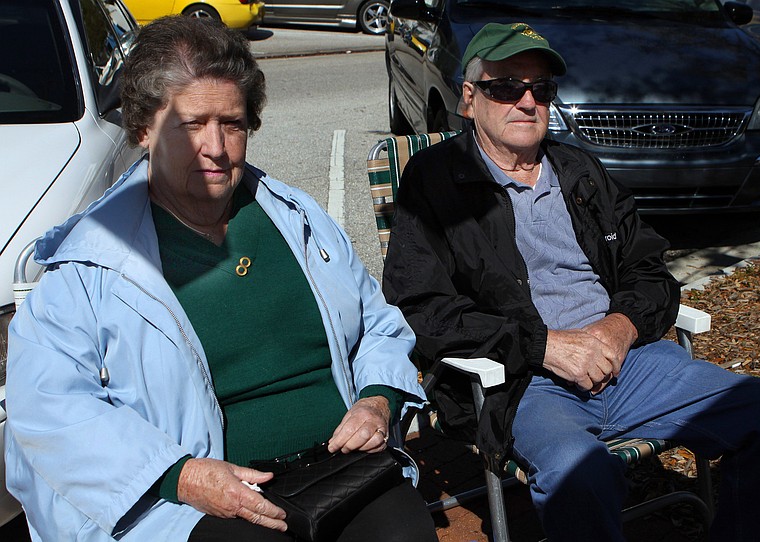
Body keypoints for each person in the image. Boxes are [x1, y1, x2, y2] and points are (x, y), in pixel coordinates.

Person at [4, 16, 437, 542]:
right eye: (191, 124)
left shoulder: (294, 217)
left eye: (231, 123)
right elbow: (47, 405)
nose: (217, 146)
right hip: (205, 498)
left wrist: (377, 398)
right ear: (144, 129)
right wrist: (181, 476)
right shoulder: (92, 261)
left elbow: (377, 323)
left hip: (339, 471)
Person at [382, 22, 760, 541]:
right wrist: (546, 346)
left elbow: (649, 269)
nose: (526, 101)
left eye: (541, 89)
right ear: (470, 99)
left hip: (630, 363)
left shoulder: (579, 169)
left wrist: (618, 329)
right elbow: (420, 307)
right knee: (577, 470)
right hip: (525, 383)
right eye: (505, 86)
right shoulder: (434, 181)